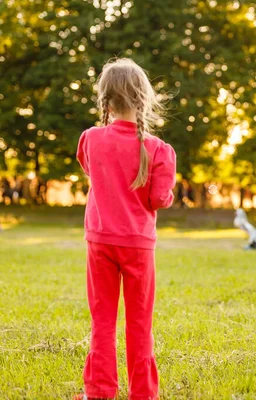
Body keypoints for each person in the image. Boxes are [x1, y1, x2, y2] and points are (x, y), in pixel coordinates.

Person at [74, 58, 176, 400]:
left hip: (99, 242)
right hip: (138, 246)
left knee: (102, 321)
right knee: (139, 324)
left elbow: (94, 173)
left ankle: (99, 392)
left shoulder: (90, 139)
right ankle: (143, 394)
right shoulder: (159, 149)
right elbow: (160, 200)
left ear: (105, 100)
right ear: (144, 98)